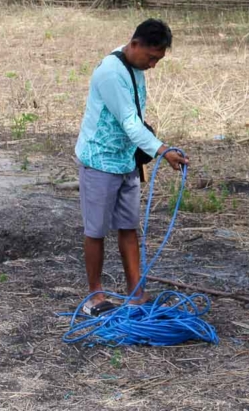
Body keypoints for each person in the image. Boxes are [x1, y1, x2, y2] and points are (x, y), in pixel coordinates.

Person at [74, 18, 188, 316]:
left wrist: (147, 153)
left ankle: (136, 292)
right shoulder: (111, 73)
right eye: (151, 57)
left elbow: (134, 120)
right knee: (96, 230)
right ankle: (95, 297)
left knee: (128, 226)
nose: (153, 65)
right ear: (135, 44)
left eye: (158, 59)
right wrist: (162, 150)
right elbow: (129, 122)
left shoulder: (133, 66)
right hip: (100, 160)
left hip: (125, 161)